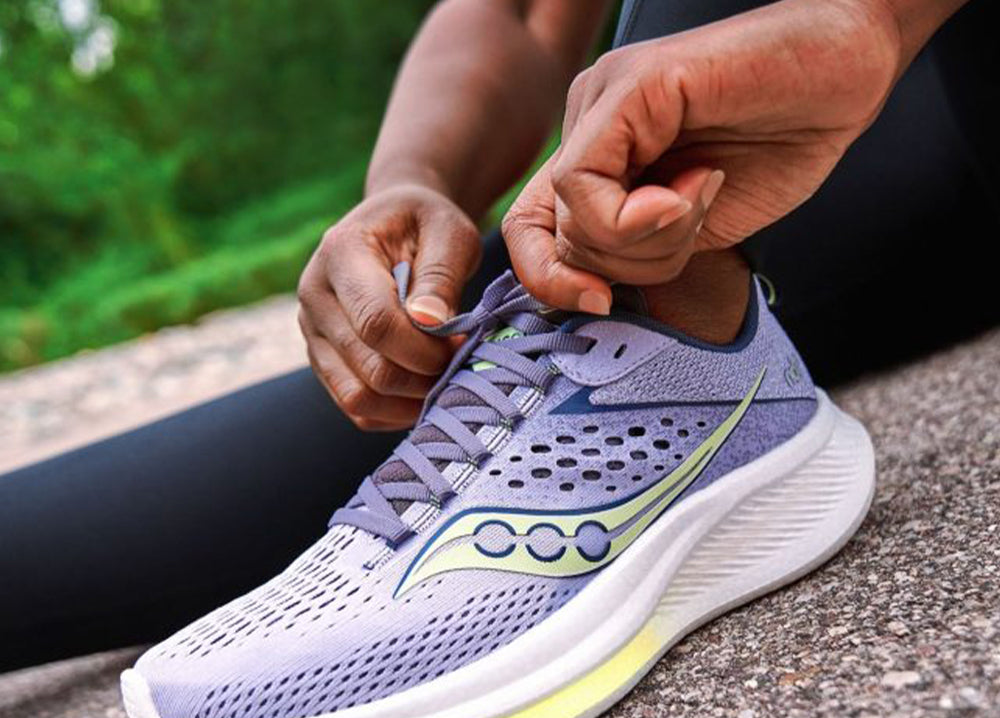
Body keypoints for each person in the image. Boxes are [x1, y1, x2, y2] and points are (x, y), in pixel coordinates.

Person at [2, 0, 995, 677]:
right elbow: (523, 14)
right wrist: (411, 179)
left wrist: (868, 19)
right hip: (791, 175)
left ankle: (689, 399)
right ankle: (677, 362)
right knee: (476, 347)